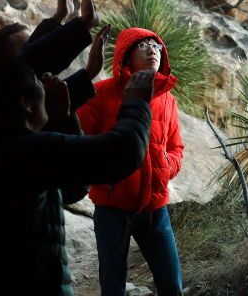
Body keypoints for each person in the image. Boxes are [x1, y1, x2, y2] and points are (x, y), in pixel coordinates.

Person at [0, 52, 154, 296]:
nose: (47, 84)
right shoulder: (23, 152)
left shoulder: (3, 146)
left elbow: (73, 189)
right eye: (38, 81)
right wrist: (135, 101)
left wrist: (64, 116)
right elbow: (120, 153)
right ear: (25, 103)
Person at [78, 27, 184, 296]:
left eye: (156, 46)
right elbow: (79, 141)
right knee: (113, 287)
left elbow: (176, 147)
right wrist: (106, 174)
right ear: (125, 55)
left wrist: (164, 166)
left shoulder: (167, 100)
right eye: (143, 46)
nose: (152, 50)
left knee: (172, 286)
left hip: (155, 210)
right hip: (112, 209)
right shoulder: (101, 93)